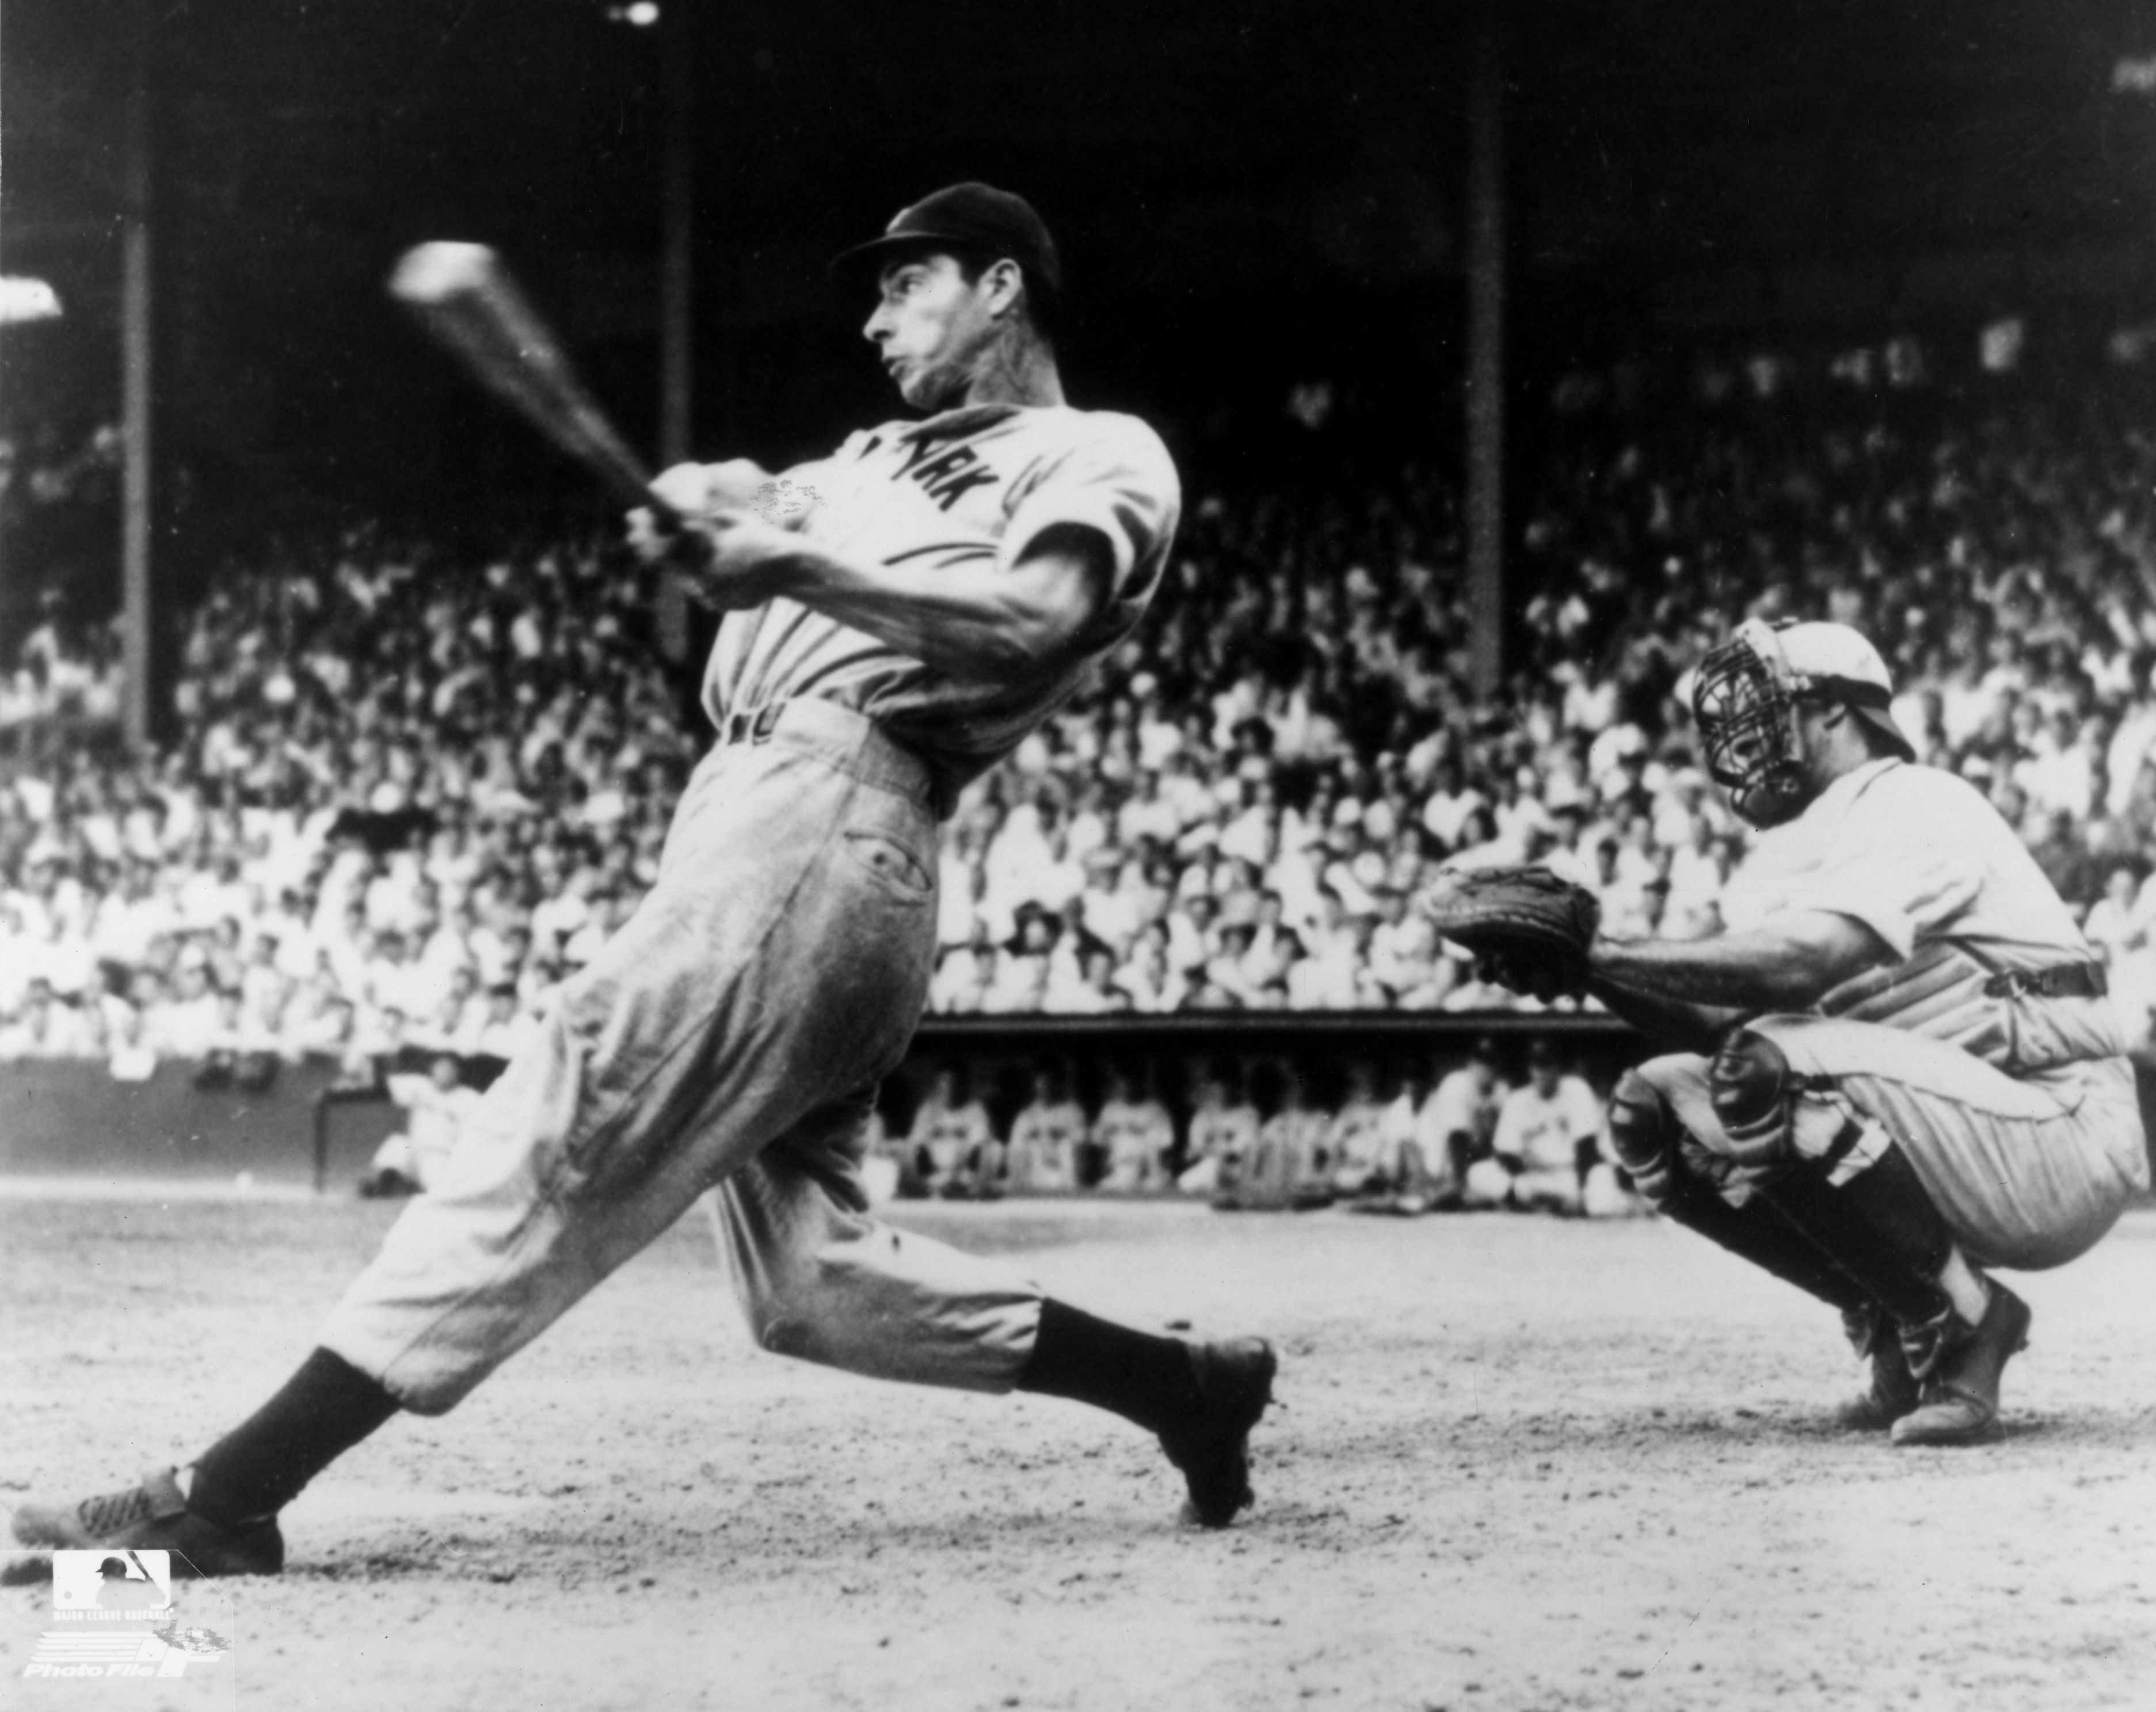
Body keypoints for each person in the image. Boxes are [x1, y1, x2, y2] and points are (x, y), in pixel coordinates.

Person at [11, 184, 1275, 1578]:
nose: (871, 314)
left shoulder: (1095, 450)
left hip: (839, 809)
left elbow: (1031, 624)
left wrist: (784, 553)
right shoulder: (865, 459)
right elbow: (744, 513)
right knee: (811, 1284)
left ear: (1001, 287)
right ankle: (1185, 1386)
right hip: (768, 828)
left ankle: (230, 1491)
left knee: (568, 1097)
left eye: (905, 284)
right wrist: (708, 516)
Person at [1569, 620, 2147, 1445]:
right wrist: (1584, 970)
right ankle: (1890, 1313)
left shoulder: (1915, 798)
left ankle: (1963, 1323)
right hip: (1952, 1126)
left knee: (1767, 1070)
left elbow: (1804, 965)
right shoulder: (1782, 848)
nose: (1741, 735)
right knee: (1658, 1106)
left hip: (2060, 1129)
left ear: (1835, 713)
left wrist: (1609, 946)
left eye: (1768, 708)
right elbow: (1719, 1024)